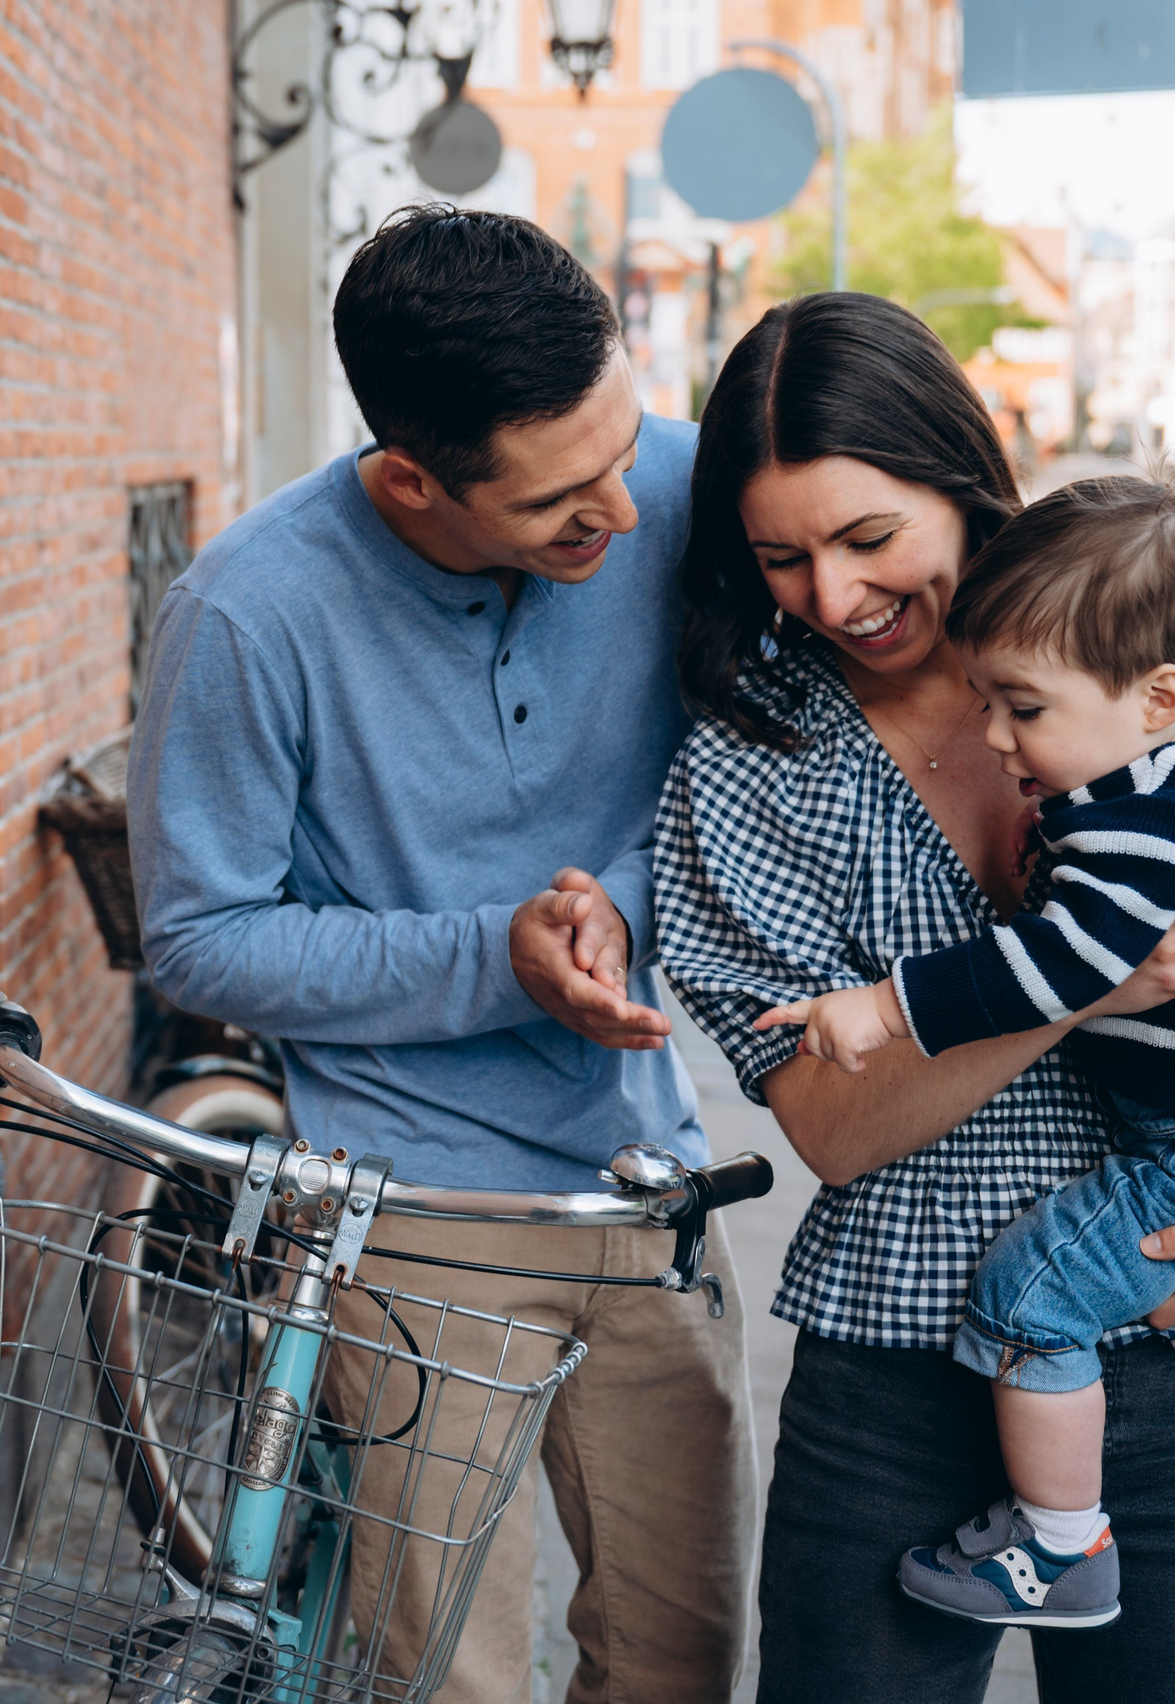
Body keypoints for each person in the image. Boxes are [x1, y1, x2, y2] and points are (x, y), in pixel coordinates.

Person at [653, 291, 1175, 1701]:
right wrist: (1101, 983)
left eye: (870, 538)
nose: (834, 595)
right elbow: (838, 1131)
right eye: (781, 558)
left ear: (964, 478)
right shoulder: (750, 767)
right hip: (904, 1381)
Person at [130, 206, 750, 1703]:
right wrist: (498, 957)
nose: (621, 508)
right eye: (558, 501)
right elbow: (197, 938)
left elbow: (749, 775)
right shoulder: (246, 610)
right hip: (415, 1220)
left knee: (681, 1659)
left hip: (645, 1188)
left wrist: (620, 898)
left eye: (625, 444)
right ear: (413, 476)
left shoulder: (672, 489)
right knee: (445, 1679)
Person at [757, 475, 1175, 1630]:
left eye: (1023, 709)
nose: (1000, 737)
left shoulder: (1139, 815)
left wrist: (885, 1007)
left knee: (1031, 1295)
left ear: (1157, 695)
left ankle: (1060, 1541)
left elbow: (1061, 968)